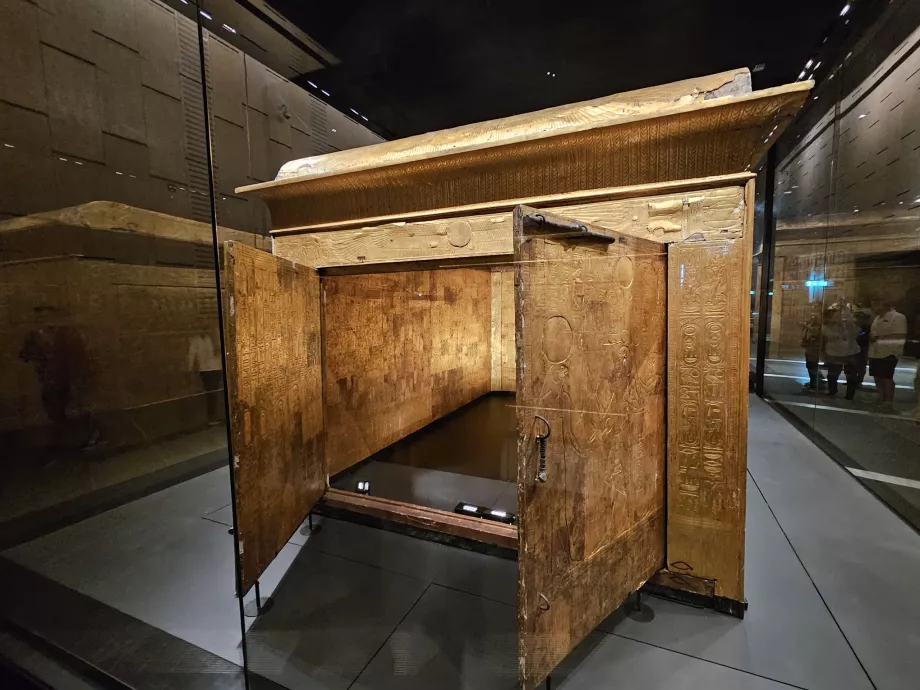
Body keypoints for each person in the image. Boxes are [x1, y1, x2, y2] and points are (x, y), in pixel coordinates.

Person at [868, 298, 907, 412]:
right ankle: (880, 397)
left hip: (889, 352)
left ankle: (888, 400)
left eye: (875, 305)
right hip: (875, 352)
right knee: (877, 377)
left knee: (886, 377)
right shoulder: (877, 318)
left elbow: (900, 335)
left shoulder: (898, 317)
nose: (873, 308)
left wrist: (879, 338)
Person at [821, 305, 860, 400]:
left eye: (840, 315)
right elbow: (831, 335)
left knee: (851, 374)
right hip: (835, 353)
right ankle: (832, 391)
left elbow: (854, 334)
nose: (839, 318)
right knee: (833, 373)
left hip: (850, 351)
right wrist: (837, 327)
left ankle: (850, 394)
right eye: (836, 316)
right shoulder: (826, 326)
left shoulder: (848, 324)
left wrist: (848, 324)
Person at [187, 333, 223, 425]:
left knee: (214, 393)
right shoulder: (196, 340)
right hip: (205, 370)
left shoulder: (212, 337)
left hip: (216, 368)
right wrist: (190, 368)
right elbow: (192, 354)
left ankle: (213, 416)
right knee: (210, 393)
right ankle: (211, 417)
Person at [801, 305, 823, 391]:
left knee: (812, 364)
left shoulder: (818, 324)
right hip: (809, 346)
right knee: (810, 364)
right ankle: (813, 381)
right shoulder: (811, 322)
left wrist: (806, 326)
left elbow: (816, 332)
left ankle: (814, 383)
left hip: (814, 347)